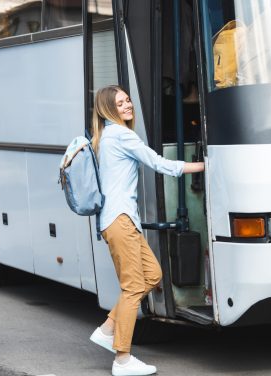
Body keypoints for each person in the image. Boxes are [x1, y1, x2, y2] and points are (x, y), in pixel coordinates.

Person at [88, 85, 205, 376]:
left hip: (120, 220)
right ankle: (122, 359)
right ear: (108, 109)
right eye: (120, 103)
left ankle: (107, 329)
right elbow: (159, 163)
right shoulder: (122, 135)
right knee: (132, 288)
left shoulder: (105, 136)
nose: (128, 105)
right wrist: (203, 165)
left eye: (128, 100)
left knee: (152, 275)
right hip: (120, 220)